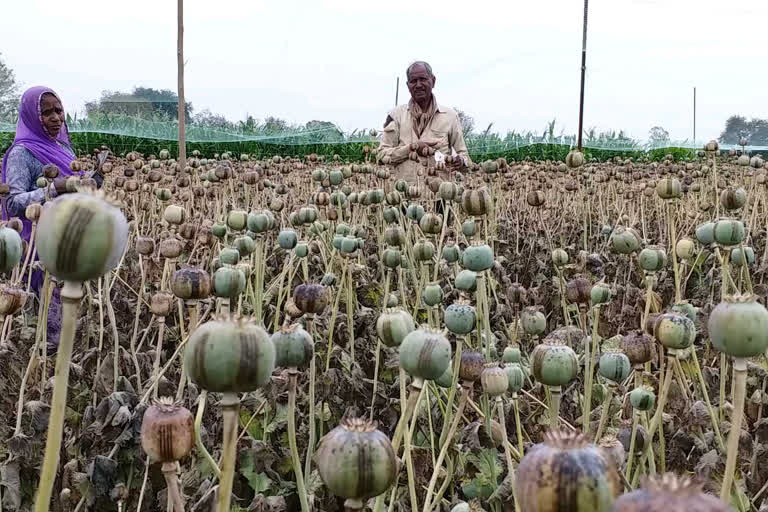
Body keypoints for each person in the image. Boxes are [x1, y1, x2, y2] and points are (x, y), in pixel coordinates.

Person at [1, 86, 103, 354]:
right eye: (47, 113)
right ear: (32, 117)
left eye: (59, 110)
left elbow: (71, 189)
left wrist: (91, 182)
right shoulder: (21, 153)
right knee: (40, 321)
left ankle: (60, 372)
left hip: (65, 238)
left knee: (66, 312)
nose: (56, 117)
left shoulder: (62, 146)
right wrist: (54, 188)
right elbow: (12, 202)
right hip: (33, 246)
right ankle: (38, 373)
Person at [377, 61, 471, 182]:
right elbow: (381, 156)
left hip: (440, 196)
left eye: (423, 79)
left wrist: (461, 161)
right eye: (413, 81)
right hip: (404, 194)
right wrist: (411, 149)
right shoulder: (396, 116)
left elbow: (465, 156)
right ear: (408, 85)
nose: (418, 85)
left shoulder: (450, 117)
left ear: (433, 81)